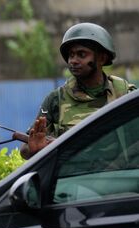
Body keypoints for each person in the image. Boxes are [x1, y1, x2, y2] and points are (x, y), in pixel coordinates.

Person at [21, 22, 136, 159]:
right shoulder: (56, 100)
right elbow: (26, 148)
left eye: (81, 54)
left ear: (101, 58)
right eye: (71, 55)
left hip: (116, 177)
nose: (73, 61)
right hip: (71, 179)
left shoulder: (124, 94)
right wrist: (34, 149)